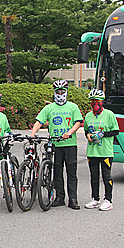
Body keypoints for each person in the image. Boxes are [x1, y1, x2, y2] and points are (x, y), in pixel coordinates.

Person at [30, 80, 83, 209]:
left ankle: (73, 199)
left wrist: (69, 132)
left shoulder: (73, 107)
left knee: (71, 173)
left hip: (69, 144)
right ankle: (60, 197)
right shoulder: (49, 108)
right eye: (58, 92)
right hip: (55, 145)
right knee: (57, 172)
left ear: (66, 92)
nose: (60, 94)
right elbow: (39, 121)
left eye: (62, 92)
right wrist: (32, 134)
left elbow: (78, 122)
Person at [83, 89, 119, 211]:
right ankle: (95, 199)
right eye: (92, 101)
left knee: (106, 176)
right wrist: (88, 135)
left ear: (102, 102)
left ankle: (108, 200)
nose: (95, 104)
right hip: (92, 152)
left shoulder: (109, 114)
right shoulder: (88, 115)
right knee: (94, 177)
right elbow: (86, 130)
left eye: (97, 101)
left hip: (106, 152)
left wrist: (103, 134)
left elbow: (116, 131)